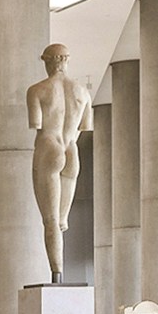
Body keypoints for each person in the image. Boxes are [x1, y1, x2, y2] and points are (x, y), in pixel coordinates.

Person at [26, 43, 94, 282]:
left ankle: (57, 273)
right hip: (71, 149)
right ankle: (58, 275)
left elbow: (37, 124)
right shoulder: (82, 92)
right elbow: (84, 127)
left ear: (47, 61)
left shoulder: (37, 90)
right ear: (66, 60)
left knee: (51, 222)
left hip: (49, 147)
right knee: (62, 220)